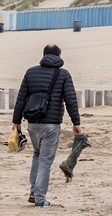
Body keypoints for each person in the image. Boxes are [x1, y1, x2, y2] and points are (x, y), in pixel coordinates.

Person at [13, 44, 82, 207]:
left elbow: (21, 98)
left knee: (37, 155)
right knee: (45, 161)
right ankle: (39, 198)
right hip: (51, 125)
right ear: (59, 56)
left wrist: (16, 122)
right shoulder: (63, 74)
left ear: (44, 55)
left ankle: (33, 192)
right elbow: (70, 99)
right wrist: (76, 122)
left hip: (32, 123)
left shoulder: (31, 72)